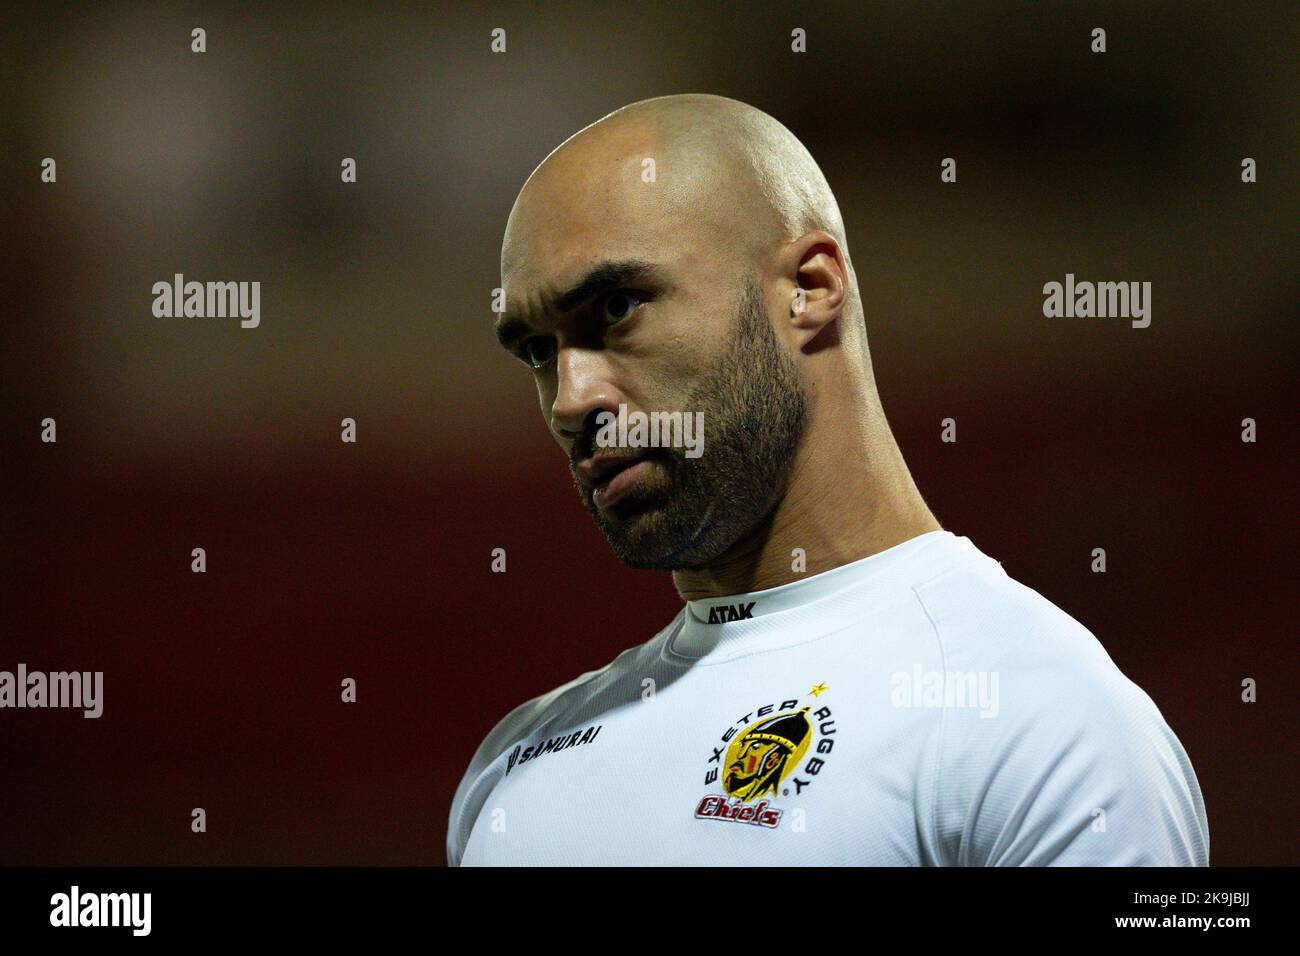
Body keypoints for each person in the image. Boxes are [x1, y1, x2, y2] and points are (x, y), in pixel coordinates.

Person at [447, 93, 1209, 866]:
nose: (573, 401)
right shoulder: (513, 775)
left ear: (809, 288)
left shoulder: (1042, 724)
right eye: (538, 352)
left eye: (616, 307)